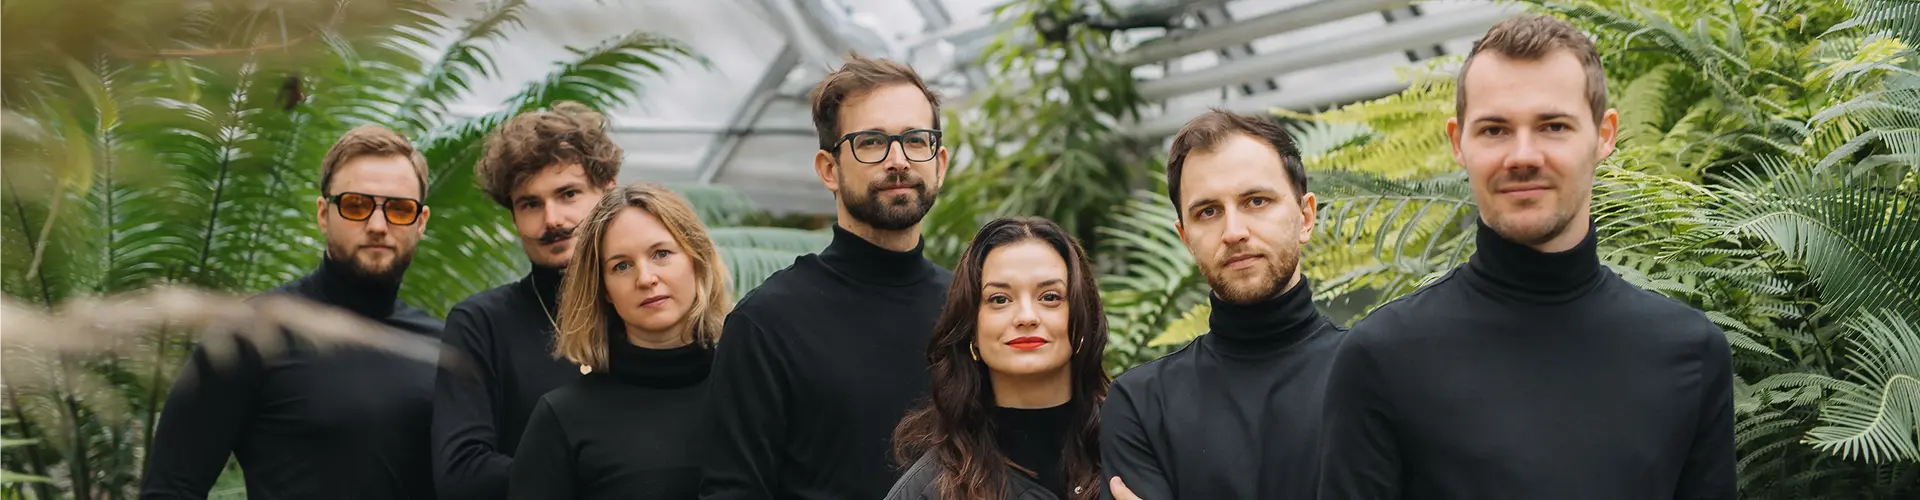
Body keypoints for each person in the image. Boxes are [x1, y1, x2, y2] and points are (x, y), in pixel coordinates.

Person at [1314, 14, 1736, 499]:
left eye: (1553, 126)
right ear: (1458, 142)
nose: (1523, 156)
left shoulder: (1690, 352)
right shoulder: (1382, 358)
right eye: (1495, 130)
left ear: (1604, 135)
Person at [699, 53, 954, 500]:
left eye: (916, 139)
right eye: (871, 142)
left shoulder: (970, 309)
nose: (898, 160)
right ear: (829, 170)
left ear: (940, 163)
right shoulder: (767, 323)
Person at [141, 125, 443, 499]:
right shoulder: (252, 335)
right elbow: (170, 488)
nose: (378, 225)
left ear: (421, 222)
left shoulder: (442, 348)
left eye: (399, 209)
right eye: (355, 205)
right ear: (324, 214)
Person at [1098, 110, 1342, 500]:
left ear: (1305, 217)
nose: (1233, 232)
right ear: (1185, 238)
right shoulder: (1143, 405)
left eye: (1256, 201)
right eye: (1208, 212)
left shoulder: (1373, 373)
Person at [433, 101, 621, 500]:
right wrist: (603, 475)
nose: (551, 219)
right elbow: (462, 472)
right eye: (530, 204)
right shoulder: (480, 323)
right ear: (514, 216)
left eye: (568, 194)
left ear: (608, 193)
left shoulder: (649, 304)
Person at [507, 182, 731, 499]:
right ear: (604, 290)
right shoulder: (563, 417)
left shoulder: (749, 391)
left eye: (661, 254)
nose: (646, 278)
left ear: (697, 260)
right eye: (621, 266)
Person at [886, 217, 1111, 500]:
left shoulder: (1136, 453)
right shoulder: (930, 489)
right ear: (971, 331)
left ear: (1084, 319)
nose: (1026, 317)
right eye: (1000, 299)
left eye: (1050, 297)